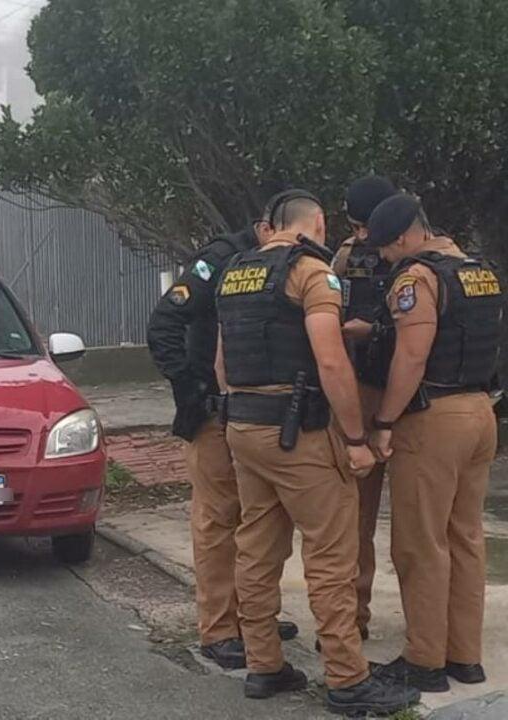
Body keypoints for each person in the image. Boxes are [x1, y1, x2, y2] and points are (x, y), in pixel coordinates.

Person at [215, 190, 419, 715]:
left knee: (256, 550)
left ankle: (264, 665)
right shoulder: (310, 271)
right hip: (298, 432)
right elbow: (331, 364)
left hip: (243, 426)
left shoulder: (237, 271)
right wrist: (355, 439)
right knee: (332, 556)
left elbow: (222, 365)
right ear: (318, 223)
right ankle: (348, 678)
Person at [364, 193, 502, 692]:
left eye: (383, 247)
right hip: (481, 413)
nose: (380, 257)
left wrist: (383, 420)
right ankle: (464, 657)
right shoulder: (476, 270)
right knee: (465, 537)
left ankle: (423, 661)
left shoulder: (416, 278)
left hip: (433, 418)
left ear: (403, 237)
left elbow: (413, 358)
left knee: (421, 542)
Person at [147, 220, 298, 670]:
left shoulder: (286, 263)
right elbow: (164, 324)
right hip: (214, 413)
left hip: (256, 414)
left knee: (260, 520)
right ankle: (218, 629)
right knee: (218, 519)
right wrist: (191, 387)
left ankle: (253, 616)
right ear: (266, 225)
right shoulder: (220, 258)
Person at [330, 176, 398, 641]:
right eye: (351, 225)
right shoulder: (343, 256)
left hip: (411, 401)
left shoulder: (413, 256)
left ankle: (435, 629)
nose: (357, 235)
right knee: (353, 516)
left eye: (361, 225)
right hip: (359, 390)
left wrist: (372, 331)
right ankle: (353, 617)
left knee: (422, 529)